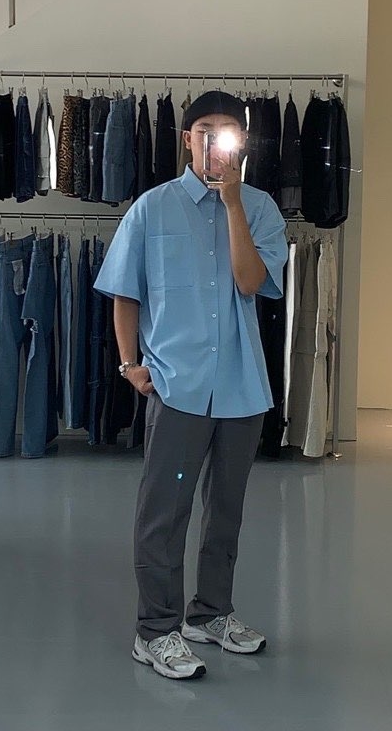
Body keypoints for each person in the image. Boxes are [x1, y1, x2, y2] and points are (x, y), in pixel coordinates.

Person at [93, 90, 288, 680]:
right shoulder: (151, 209)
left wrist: (232, 204)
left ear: (242, 143)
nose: (214, 141)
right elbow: (125, 292)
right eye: (205, 130)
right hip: (176, 387)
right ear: (186, 139)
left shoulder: (261, 209)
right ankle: (154, 630)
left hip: (241, 388)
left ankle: (210, 614)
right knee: (165, 513)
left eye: (227, 132)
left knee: (226, 511)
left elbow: (251, 283)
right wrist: (130, 365)